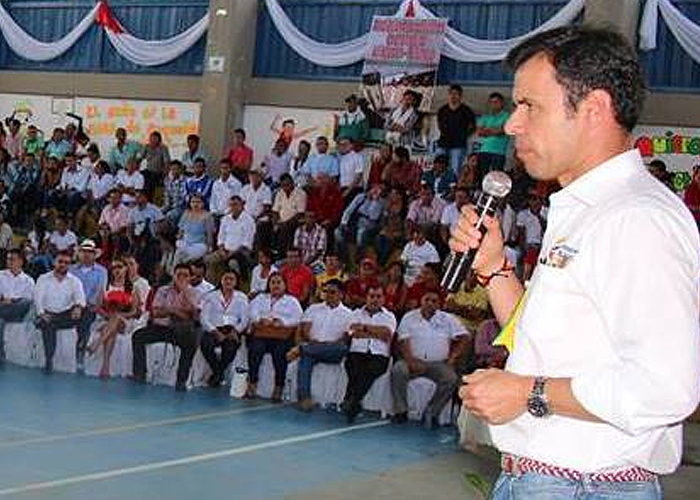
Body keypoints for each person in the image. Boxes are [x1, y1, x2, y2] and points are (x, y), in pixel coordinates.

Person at [453, 27, 700, 499]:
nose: (512, 125)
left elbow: (666, 387)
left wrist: (527, 393)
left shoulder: (635, 218)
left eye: (530, 106)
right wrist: (494, 268)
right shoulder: (587, 209)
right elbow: (544, 344)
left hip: (583, 486)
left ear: (594, 109)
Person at [391, 289, 468, 428]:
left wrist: (452, 357)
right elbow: (402, 341)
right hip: (412, 360)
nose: (430, 303)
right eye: (426, 300)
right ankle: (400, 411)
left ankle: (432, 413)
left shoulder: (448, 319)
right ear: (421, 301)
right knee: (398, 370)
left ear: (439, 304)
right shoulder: (409, 317)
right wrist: (410, 360)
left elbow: (465, 337)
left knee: (451, 378)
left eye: (434, 301)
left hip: (438, 364)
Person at [132, 263, 199, 391]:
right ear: (174, 276)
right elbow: (156, 312)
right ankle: (140, 374)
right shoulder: (163, 290)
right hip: (162, 327)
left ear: (190, 277)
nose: (181, 278)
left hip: (181, 329)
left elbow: (194, 315)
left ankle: (181, 380)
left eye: (185, 275)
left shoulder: (194, 292)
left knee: (190, 342)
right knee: (138, 336)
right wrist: (177, 311)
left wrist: (183, 293)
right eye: (179, 275)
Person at [295, 279, 354, 412]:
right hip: (313, 346)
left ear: (341, 294)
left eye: (332, 292)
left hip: (333, 350)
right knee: (306, 358)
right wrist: (310, 341)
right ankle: (304, 397)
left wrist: (327, 344)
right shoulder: (313, 309)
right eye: (325, 291)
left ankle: (302, 349)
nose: (328, 294)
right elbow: (303, 329)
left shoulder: (349, 314)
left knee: (341, 348)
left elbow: (346, 339)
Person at [342, 285, 396, 423]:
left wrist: (364, 327)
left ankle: (351, 400)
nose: (375, 300)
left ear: (383, 299)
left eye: (378, 296)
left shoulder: (389, 316)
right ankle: (354, 403)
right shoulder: (355, 314)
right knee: (354, 368)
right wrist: (376, 332)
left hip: (379, 354)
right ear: (366, 298)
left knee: (370, 370)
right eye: (372, 296)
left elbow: (387, 334)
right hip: (357, 352)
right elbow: (353, 333)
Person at [246, 272, 303, 402]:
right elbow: (251, 312)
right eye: (272, 282)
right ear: (268, 285)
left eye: (278, 282)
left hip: (281, 336)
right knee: (255, 349)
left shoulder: (292, 301)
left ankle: (278, 387)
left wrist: (283, 322)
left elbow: (299, 318)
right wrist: (260, 319)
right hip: (263, 333)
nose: (275, 285)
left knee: (279, 353)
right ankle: (252, 383)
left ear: (285, 285)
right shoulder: (261, 298)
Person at [87, 257, 141, 378]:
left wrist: (119, 315)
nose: (117, 270)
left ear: (126, 269)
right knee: (112, 331)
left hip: (124, 321)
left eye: (120, 267)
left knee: (115, 319)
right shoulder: (105, 287)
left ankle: (96, 344)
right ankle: (105, 366)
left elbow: (134, 311)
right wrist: (108, 316)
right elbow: (97, 307)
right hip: (106, 320)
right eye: (114, 267)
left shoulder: (133, 288)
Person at [34, 251, 87, 373]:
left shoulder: (75, 281)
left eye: (66, 263)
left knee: (86, 312)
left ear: (69, 265)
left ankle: (81, 347)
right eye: (60, 261)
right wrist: (42, 313)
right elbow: (38, 299)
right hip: (47, 314)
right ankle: (49, 360)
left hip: (65, 316)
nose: (63, 265)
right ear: (54, 262)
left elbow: (81, 298)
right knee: (48, 324)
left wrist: (78, 307)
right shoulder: (43, 279)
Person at [200, 270, 249, 388]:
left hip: (232, 330)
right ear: (221, 280)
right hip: (214, 329)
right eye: (226, 278)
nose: (228, 281)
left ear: (236, 282)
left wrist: (236, 331)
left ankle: (217, 374)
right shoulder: (211, 296)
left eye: (231, 279)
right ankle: (218, 373)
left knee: (230, 348)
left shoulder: (242, 297)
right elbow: (204, 318)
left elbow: (245, 319)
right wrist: (215, 331)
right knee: (206, 344)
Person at [69, 239, 109, 367]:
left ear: (94, 255)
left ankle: (80, 351)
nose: (86, 254)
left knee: (85, 318)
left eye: (90, 252)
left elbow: (100, 292)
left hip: (90, 306)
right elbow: (68, 289)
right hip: (72, 305)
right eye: (83, 251)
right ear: (79, 253)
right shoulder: (71, 270)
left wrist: (86, 304)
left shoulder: (102, 271)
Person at [205, 195, 255, 284]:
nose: (233, 207)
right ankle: (212, 285)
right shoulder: (225, 219)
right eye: (231, 205)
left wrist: (231, 253)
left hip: (241, 252)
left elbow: (246, 243)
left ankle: (235, 286)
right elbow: (220, 238)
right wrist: (222, 250)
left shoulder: (249, 220)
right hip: (224, 251)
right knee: (209, 259)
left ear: (242, 205)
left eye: (235, 204)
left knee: (233, 263)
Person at [0, 249, 34, 364]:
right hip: (3, 309)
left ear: (21, 262)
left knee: (25, 303)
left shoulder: (28, 280)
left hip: (18, 312)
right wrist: (4, 301)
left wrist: (11, 300)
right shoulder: (0, 275)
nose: (8, 261)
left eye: (12, 259)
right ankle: (1, 354)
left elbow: (28, 301)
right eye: (8, 259)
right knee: (0, 321)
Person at [437, 84, 476, 176]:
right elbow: (439, 125)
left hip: (458, 145)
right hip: (443, 143)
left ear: (460, 96)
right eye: (451, 94)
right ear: (448, 95)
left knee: (455, 169)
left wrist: (463, 135)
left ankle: (453, 185)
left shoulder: (466, 110)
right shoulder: (442, 110)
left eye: (456, 94)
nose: (453, 96)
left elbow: (472, 127)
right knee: (439, 168)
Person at [174, 194, 215, 265]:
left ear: (203, 203)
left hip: (199, 245)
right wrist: (178, 239)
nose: (195, 204)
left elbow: (209, 234)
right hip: (185, 243)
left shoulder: (207, 216)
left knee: (186, 259)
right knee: (178, 254)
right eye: (193, 202)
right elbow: (181, 231)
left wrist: (210, 248)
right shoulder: (186, 213)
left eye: (198, 202)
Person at [475, 92, 510, 174]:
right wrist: (495, 129)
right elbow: (479, 132)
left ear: (501, 103)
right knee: (482, 176)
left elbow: (502, 131)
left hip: (499, 152)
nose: (493, 104)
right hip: (484, 150)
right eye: (491, 102)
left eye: (496, 102)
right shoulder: (486, 116)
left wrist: (487, 130)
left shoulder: (507, 116)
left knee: (496, 177)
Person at [141, 131, 170, 200]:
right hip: (148, 170)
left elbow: (167, 162)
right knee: (140, 176)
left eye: (155, 139)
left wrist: (165, 174)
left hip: (158, 172)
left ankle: (147, 198)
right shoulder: (147, 147)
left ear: (159, 140)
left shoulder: (163, 148)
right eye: (151, 139)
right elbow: (140, 158)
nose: (152, 141)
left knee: (150, 182)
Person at [163, 160, 188, 225]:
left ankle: (172, 230)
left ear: (180, 169)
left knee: (170, 215)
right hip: (170, 206)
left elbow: (184, 199)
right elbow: (166, 196)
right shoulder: (167, 180)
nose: (175, 171)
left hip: (181, 207)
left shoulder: (186, 180)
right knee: (157, 213)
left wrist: (172, 208)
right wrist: (166, 207)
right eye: (173, 169)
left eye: (177, 169)